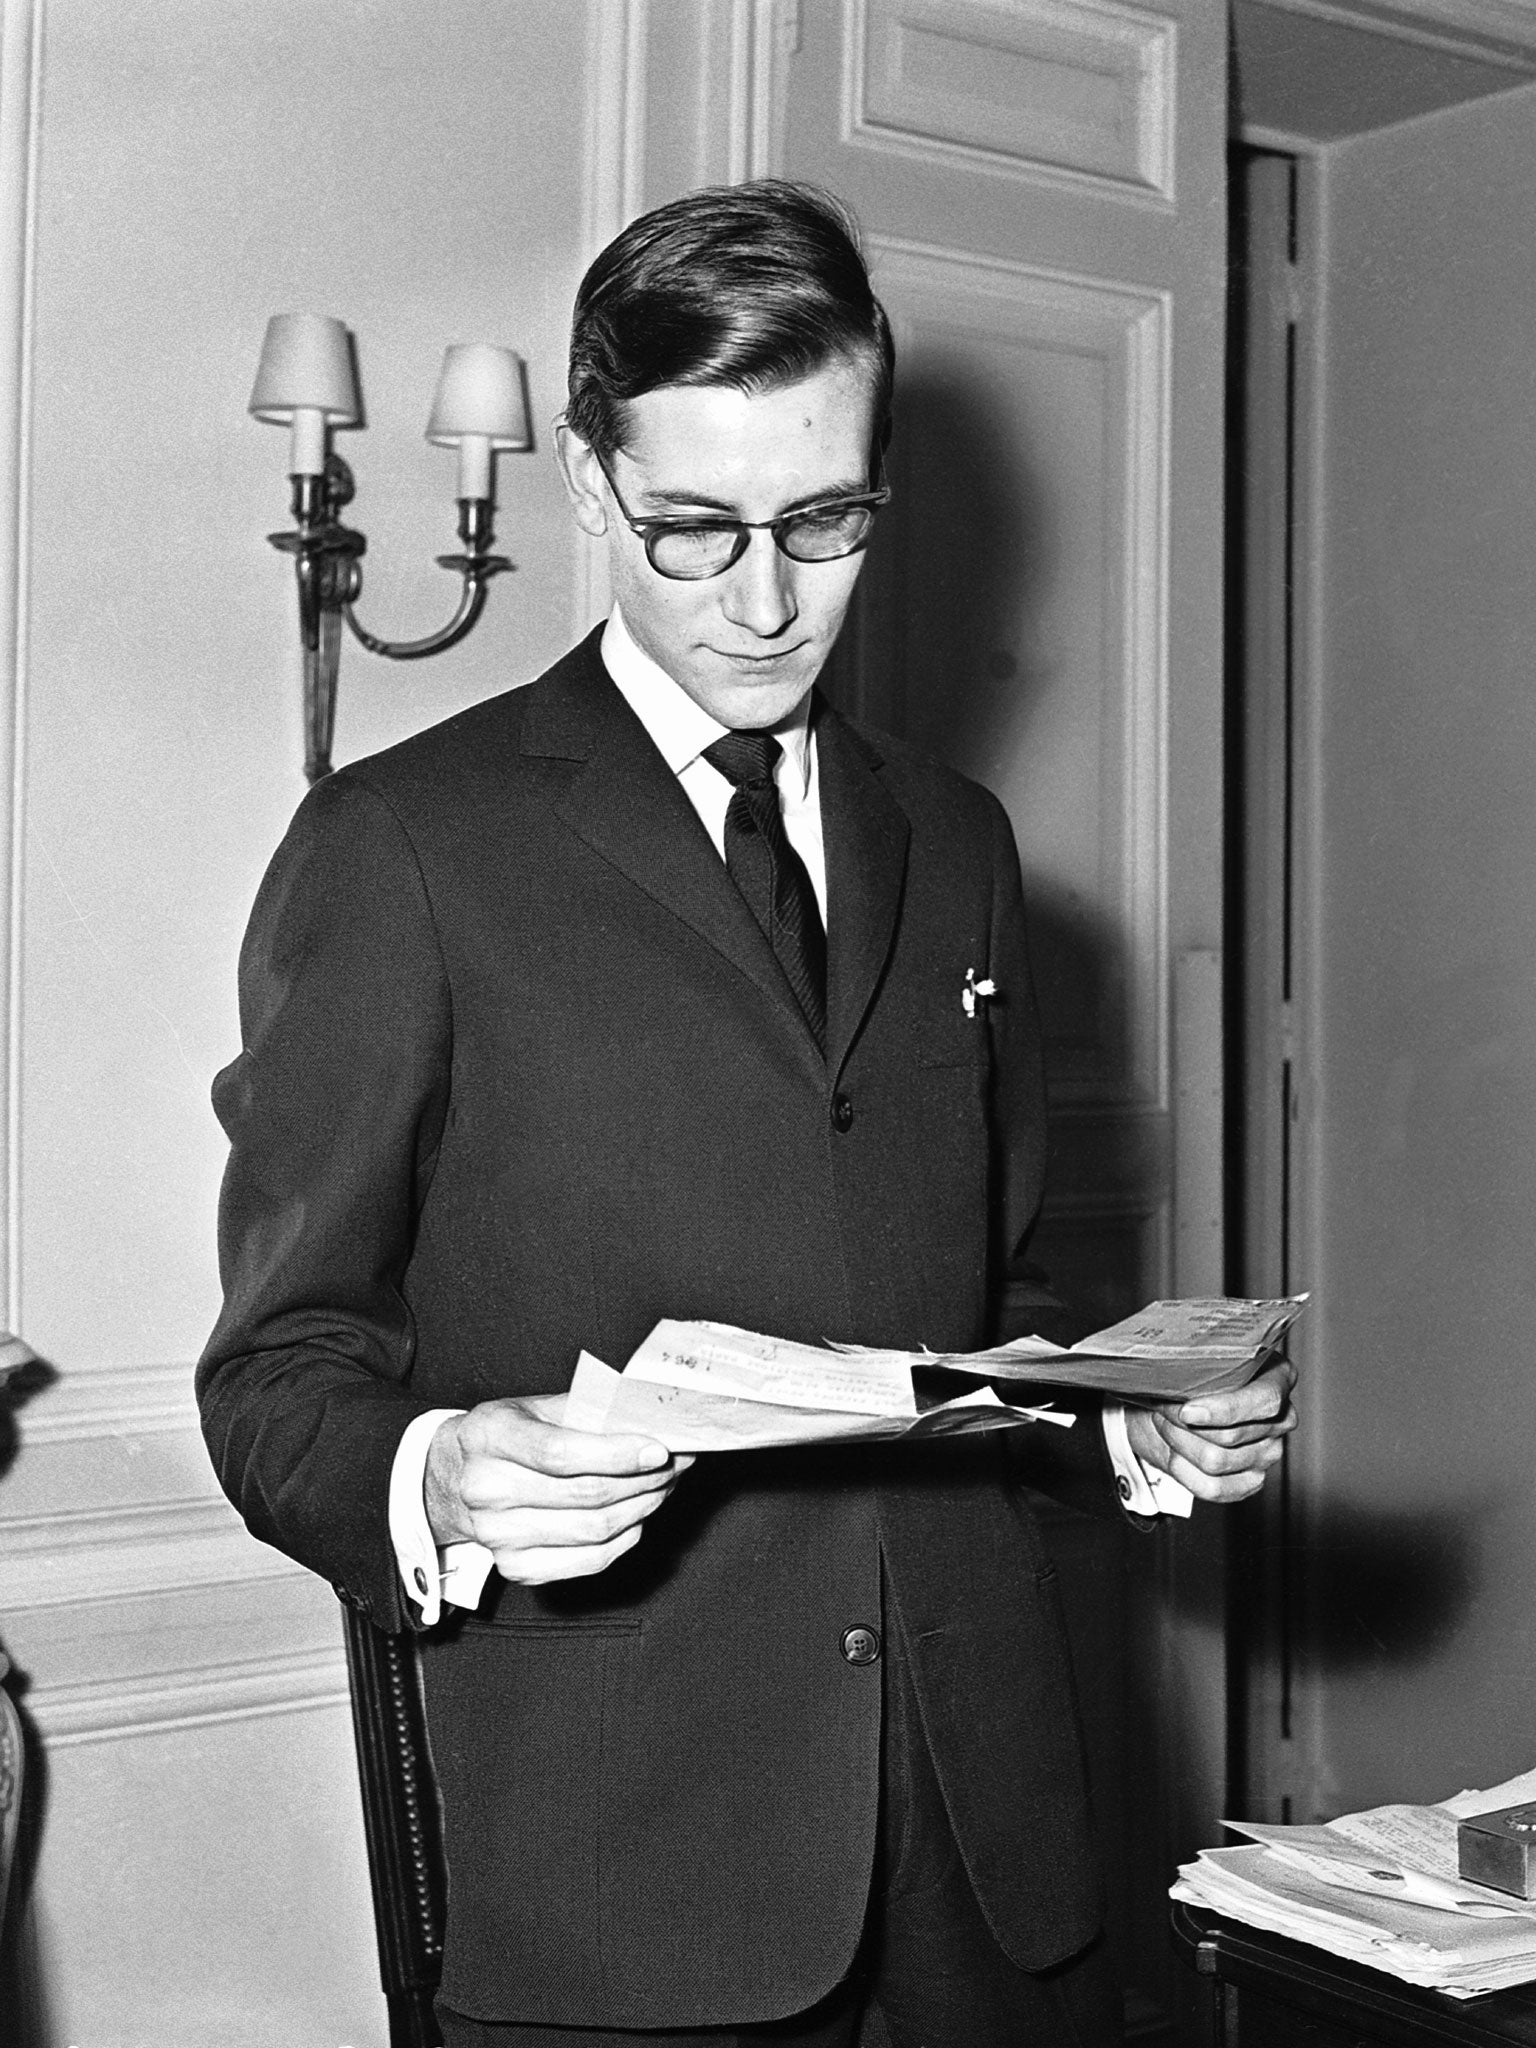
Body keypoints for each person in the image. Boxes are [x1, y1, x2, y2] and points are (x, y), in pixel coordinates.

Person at [198, 181, 1294, 2048]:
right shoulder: (401, 850)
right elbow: (279, 1368)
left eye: (828, 520)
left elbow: (991, 1300)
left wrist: (1127, 1431)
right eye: (696, 527)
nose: (770, 599)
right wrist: (436, 1471)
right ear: (585, 479)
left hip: (991, 1854)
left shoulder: (957, 844)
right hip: (630, 1887)